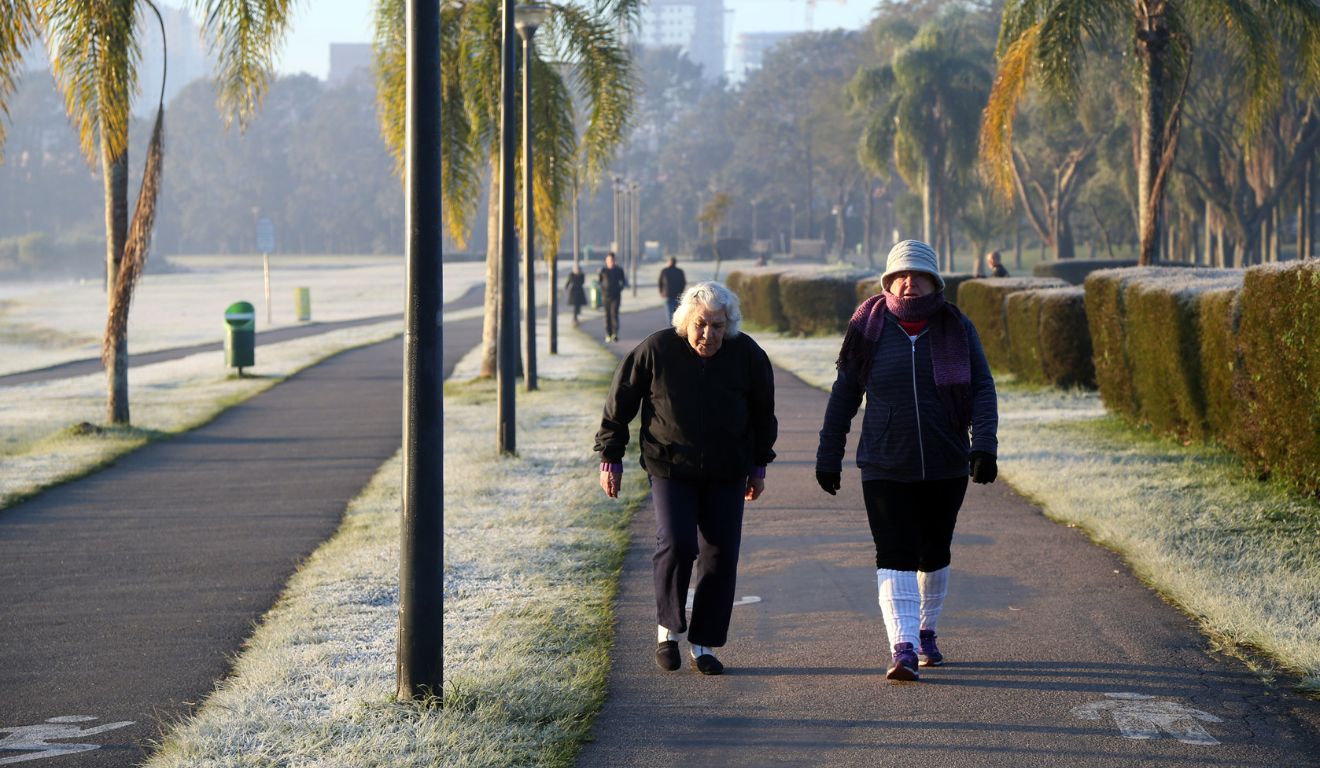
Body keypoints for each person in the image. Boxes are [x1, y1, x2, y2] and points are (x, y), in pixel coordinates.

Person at [815, 239, 999, 682]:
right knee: (893, 553)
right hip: (884, 463)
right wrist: (829, 453)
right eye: (900, 275)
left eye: (918, 275)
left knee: (934, 550)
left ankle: (926, 631)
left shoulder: (956, 326)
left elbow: (982, 388)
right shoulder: (868, 328)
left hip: (945, 461)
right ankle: (903, 647)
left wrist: (984, 446)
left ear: (935, 282)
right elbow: (845, 394)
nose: (909, 283)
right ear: (888, 282)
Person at [595, 282, 778, 675]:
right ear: (685, 322)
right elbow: (620, 402)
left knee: (719, 554)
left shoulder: (746, 354)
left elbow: (763, 413)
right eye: (701, 325)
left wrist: (758, 466)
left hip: (727, 470)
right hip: (669, 465)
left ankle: (703, 643)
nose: (708, 334)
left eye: (717, 326)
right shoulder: (657, 349)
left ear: (729, 325)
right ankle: (668, 630)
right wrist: (611, 457)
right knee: (677, 543)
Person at [598, 252, 628, 342]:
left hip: (616, 296)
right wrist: (602, 289)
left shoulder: (619, 270)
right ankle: (608, 333)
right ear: (606, 261)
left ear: (614, 260)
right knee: (607, 315)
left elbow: (623, 282)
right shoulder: (603, 271)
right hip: (605, 297)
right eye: (609, 260)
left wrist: (619, 289)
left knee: (614, 314)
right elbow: (599, 282)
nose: (610, 262)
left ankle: (615, 334)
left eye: (612, 260)